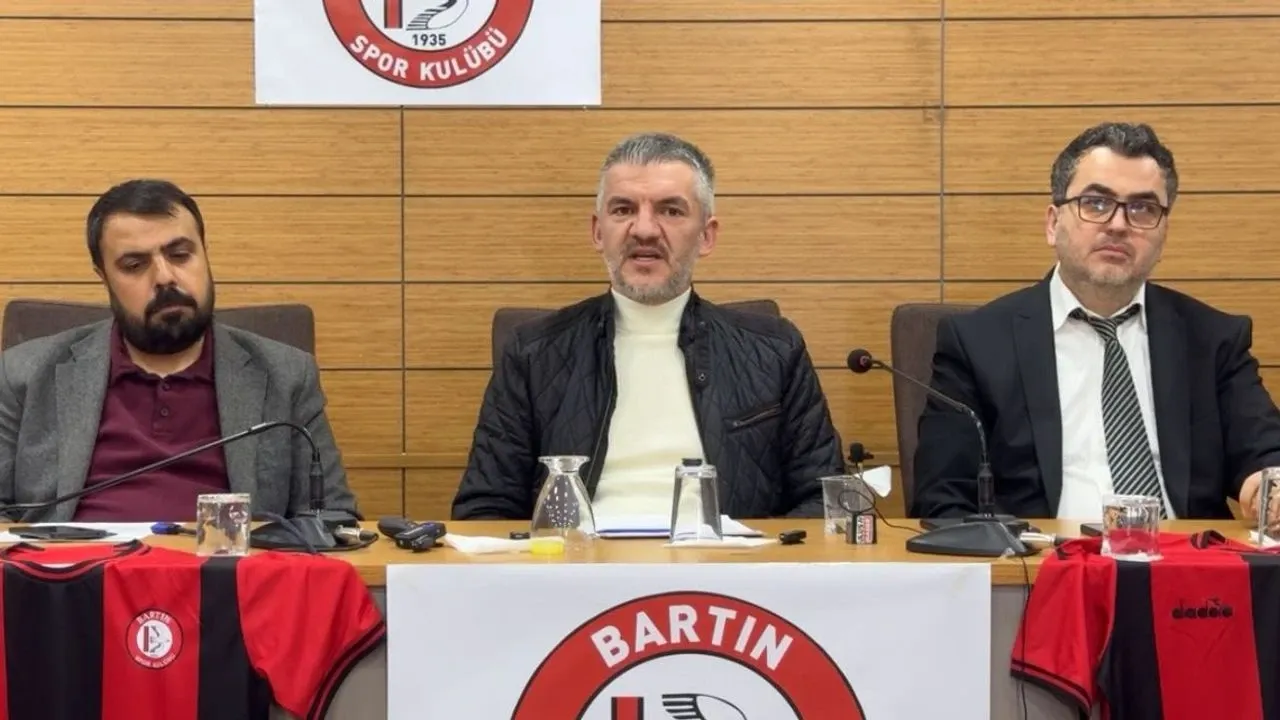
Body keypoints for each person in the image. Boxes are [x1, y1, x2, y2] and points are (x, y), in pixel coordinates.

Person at [451, 132, 843, 520]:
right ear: (597, 232)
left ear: (706, 236)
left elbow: (824, 500)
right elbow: (485, 509)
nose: (644, 230)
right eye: (623, 210)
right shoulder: (534, 352)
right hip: (580, 557)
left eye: (670, 211)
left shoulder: (774, 350)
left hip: (720, 558)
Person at [912, 122, 1280, 524]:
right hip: (1042, 560)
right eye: (1096, 203)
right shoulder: (977, 344)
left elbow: (1264, 455)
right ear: (1053, 223)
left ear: (1163, 233)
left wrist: (1268, 487)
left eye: (1143, 208)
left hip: (1181, 558)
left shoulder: (1212, 339)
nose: (1119, 225)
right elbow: (942, 500)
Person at [0, 179, 360, 522]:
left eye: (180, 255)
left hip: (230, 565)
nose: (164, 277)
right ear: (104, 277)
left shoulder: (286, 374)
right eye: (134, 265)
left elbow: (332, 517)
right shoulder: (24, 375)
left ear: (205, 254)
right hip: (76, 565)